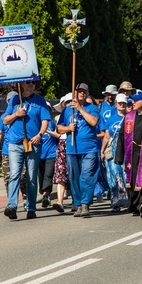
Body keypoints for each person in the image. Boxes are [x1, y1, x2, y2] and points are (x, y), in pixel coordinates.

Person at [2, 80, 51, 220]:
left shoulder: (40, 101)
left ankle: (31, 207)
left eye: (33, 83)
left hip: (33, 143)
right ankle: (11, 205)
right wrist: (16, 114)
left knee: (31, 176)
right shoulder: (15, 100)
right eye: (27, 83)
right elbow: (6, 120)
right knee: (14, 174)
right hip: (15, 143)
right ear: (21, 85)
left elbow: (45, 121)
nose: (30, 85)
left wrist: (40, 135)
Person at [57, 82, 102, 218]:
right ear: (75, 93)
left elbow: (94, 122)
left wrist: (80, 108)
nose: (81, 93)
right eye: (79, 91)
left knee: (86, 176)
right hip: (72, 149)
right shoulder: (67, 110)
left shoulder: (93, 108)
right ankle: (77, 203)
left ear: (87, 94)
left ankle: (85, 204)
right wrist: (68, 129)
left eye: (84, 91)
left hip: (89, 149)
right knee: (74, 178)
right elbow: (59, 128)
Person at [102, 93, 129, 212]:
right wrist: (102, 151)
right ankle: (115, 202)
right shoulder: (111, 118)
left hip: (126, 148)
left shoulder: (130, 117)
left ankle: (127, 200)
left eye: (124, 103)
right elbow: (107, 136)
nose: (122, 105)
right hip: (113, 148)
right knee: (113, 175)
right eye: (119, 103)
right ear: (116, 104)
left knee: (124, 174)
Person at [51, 93, 72, 213]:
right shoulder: (59, 118)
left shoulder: (78, 115)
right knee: (61, 174)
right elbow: (58, 131)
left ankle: (77, 201)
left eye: (71, 102)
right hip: (62, 144)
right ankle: (60, 201)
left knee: (74, 174)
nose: (69, 104)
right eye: (67, 102)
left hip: (73, 145)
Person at [38, 103, 59, 208]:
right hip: (38, 154)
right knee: (40, 176)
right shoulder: (36, 122)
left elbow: (59, 135)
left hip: (51, 153)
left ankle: (46, 195)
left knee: (48, 174)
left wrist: (47, 131)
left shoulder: (53, 122)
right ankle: (44, 193)